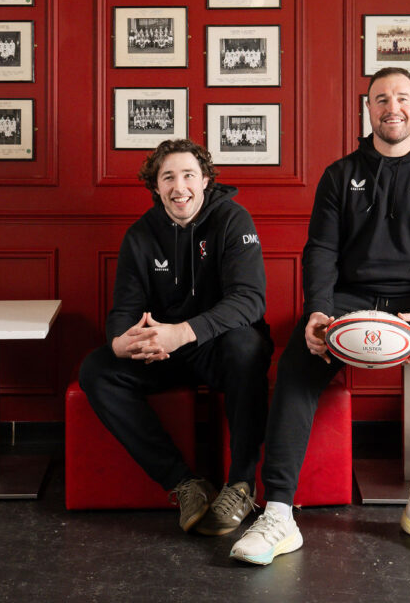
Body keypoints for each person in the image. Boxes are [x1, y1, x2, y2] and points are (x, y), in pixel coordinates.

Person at [231, 67, 410, 564]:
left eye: (403, 97)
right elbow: (320, 250)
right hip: (348, 298)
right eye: (381, 98)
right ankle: (278, 513)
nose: (393, 107)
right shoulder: (339, 175)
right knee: (296, 371)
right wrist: (318, 311)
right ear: (368, 110)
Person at [79, 138, 272, 536]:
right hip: (163, 353)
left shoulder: (233, 220)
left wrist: (181, 333)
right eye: (168, 177)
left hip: (218, 347)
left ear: (205, 180)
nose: (178, 186)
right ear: (155, 186)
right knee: (97, 368)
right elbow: (123, 312)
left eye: (188, 175)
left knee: (247, 344)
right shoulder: (140, 235)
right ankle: (184, 484)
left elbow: (250, 301)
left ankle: (240, 484)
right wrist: (122, 341)